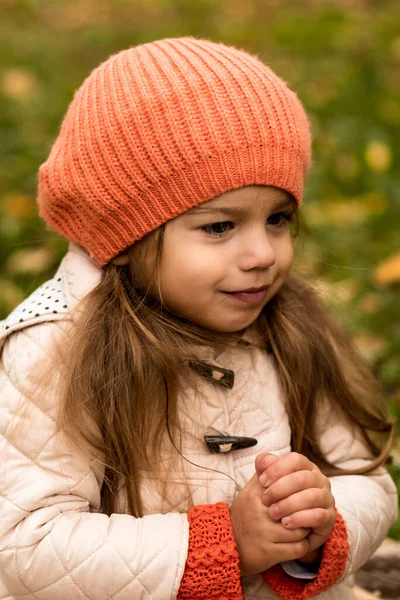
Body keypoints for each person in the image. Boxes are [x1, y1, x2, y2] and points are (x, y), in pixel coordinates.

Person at [0, 36, 397, 600]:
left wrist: (324, 523)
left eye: (278, 219)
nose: (263, 253)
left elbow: (367, 479)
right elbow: (27, 547)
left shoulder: (290, 325)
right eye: (220, 227)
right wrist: (223, 544)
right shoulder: (55, 351)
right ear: (127, 235)